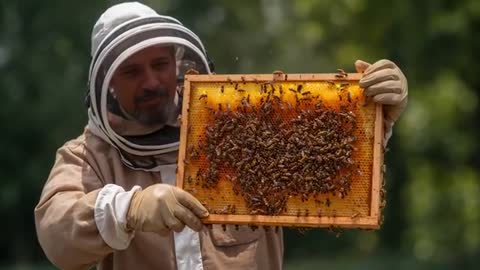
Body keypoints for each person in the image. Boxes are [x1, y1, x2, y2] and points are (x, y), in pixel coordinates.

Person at [34, 2, 408, 270]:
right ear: (108, 81)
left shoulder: (242, 127)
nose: (151, 81)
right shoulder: (87, 157)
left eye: (160, 64)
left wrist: (373, 118)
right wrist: (128, 209)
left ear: (177, 63)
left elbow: (319, 164)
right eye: (131, 71)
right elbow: (57, 233)